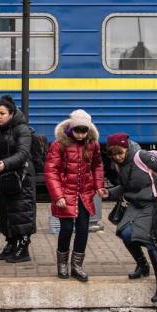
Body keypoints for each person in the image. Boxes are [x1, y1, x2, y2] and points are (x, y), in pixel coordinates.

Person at [103, 149, 157, 303]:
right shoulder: (119, 165)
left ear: (126, 149)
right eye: (114, 155)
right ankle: (142, 265)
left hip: (152, 203)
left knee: (150, 241)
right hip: (135, 204)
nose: (118, 156)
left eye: (120, 153)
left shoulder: (141, 156)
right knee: (125, 232)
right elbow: (125, 187)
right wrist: (109, 193)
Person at [44, 109, 104, 282]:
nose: (80, 134)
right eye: (77, 130)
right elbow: (51, 172)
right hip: (65, 194)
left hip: (84, 194)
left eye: (84, 131)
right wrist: (58, 196)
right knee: (67, 228)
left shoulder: (93, 144)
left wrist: (99, 186)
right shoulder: (59, 144)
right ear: (71, 128)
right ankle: (62, 265)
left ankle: (77, 266)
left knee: (83, 229)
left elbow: (97, 166)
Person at [0, 94, 37, 263]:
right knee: (6, 212)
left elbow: (23, 154)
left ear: (11, 113)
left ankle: (23, 248)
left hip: (20, 178)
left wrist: (5, 164)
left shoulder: (21, 129)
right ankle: (11, 244)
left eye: (2, 113)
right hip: (4, 177)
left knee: (21, 213)